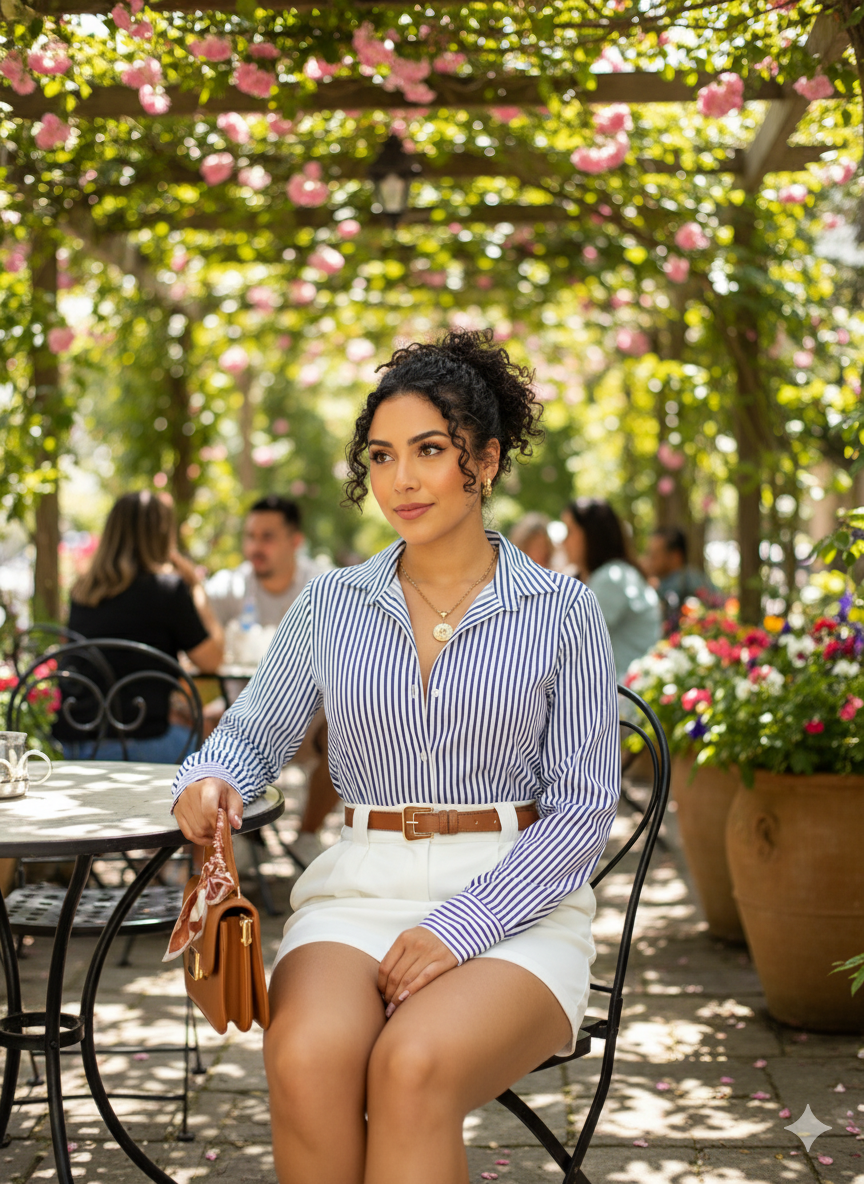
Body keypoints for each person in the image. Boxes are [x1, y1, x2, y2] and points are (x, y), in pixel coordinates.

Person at [172, 328, 621, 1184]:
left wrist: (460, 926)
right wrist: (211, 777)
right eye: (381, 456)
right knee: (304, 1057)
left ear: (484, 461)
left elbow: (581, 811)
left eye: (430, 450)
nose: (401, 479)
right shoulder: (332, 602)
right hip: (358, 886)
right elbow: (251, 734)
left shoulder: (562, 610)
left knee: (410, 1067)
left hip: (515, 900)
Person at [206, 495, 338, 867]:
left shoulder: (323, 588)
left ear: (295, 541)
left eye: (267, 537)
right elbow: (199, 643)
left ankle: (307, 836)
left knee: (348, 729)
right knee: (204, 721)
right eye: (250, 536)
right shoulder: (230, 586)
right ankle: (242, 837)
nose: (255, 547)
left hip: (311, 721)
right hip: (243, 717)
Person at [57, 491, 223, 762]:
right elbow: (212, 661)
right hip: (145, 742)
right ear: (163, 534)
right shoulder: (168, 589)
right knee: (221, 735)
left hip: (78, 744)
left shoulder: (82, 592)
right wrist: (196, 588)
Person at [562, 498, 661, 681]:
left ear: (591, 535)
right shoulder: (616, 573)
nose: (563, 541)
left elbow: (564, 644)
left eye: (570, 531)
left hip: (625, 691)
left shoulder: (611, 579)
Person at [645, 526, 717, 632]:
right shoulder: (693, 577)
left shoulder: (687, 582)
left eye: (655, 555)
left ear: (676, 556)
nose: (649, 560)